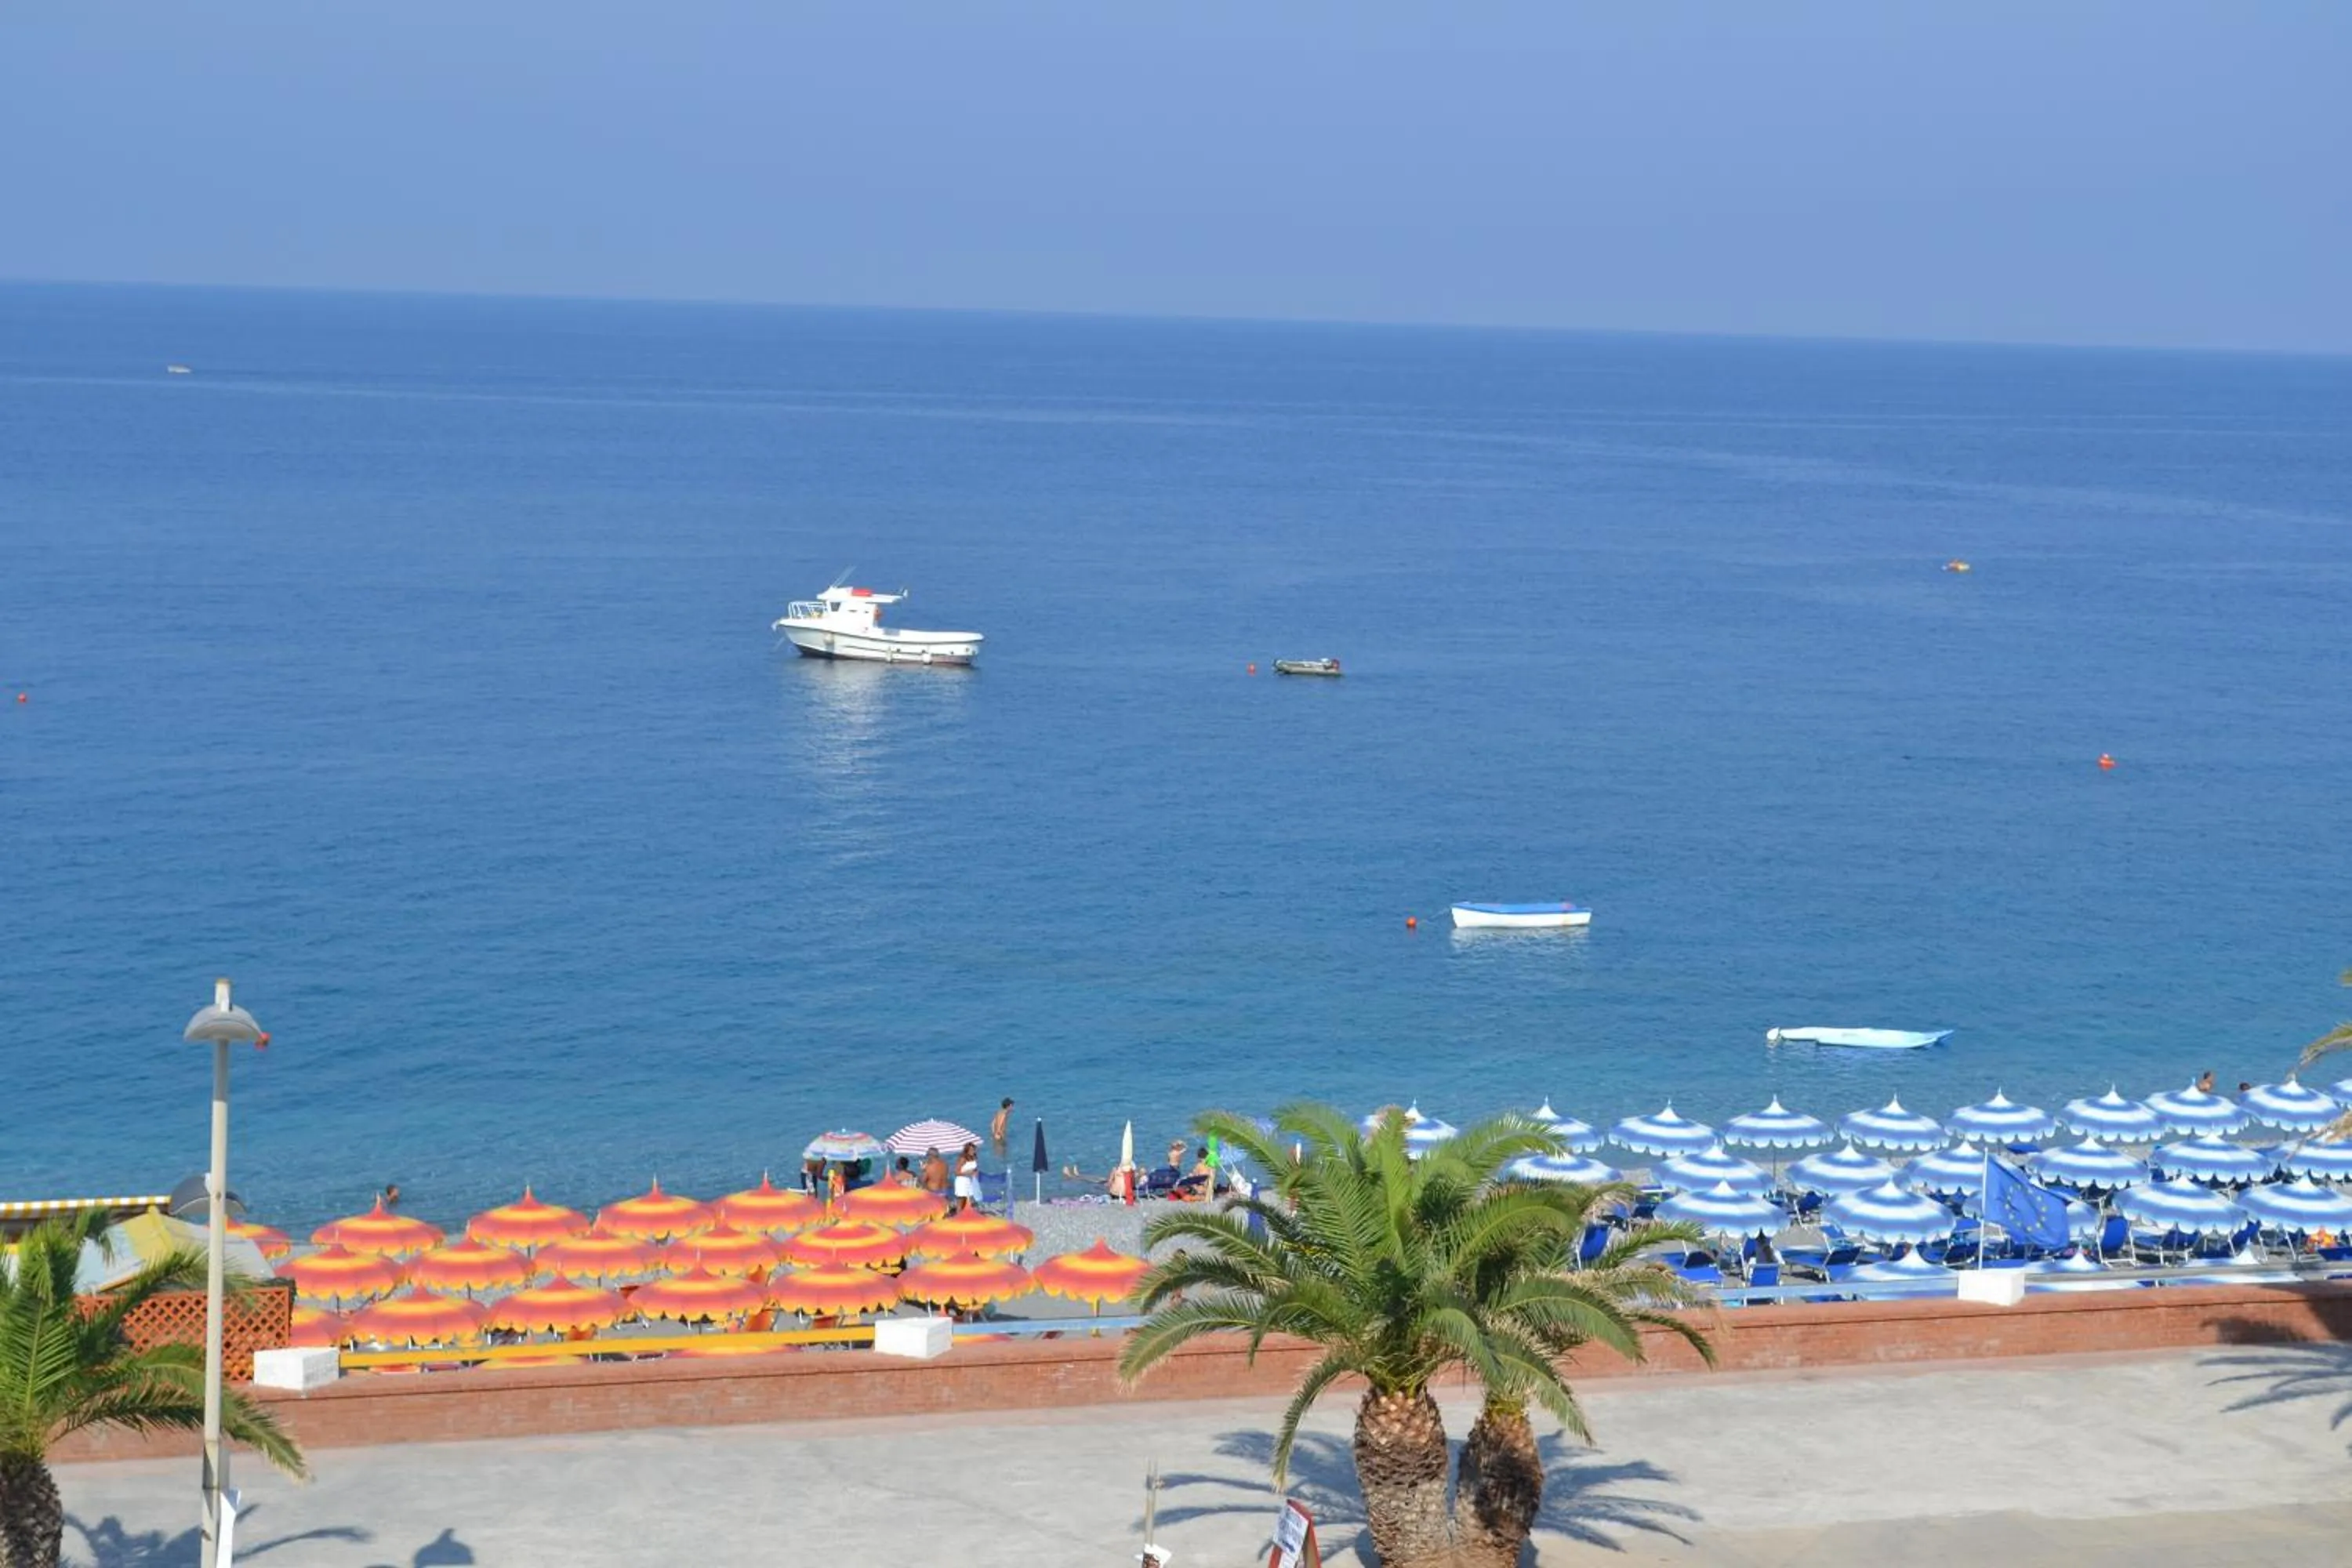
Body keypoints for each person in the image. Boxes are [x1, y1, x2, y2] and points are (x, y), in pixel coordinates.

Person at [953, 1141, 981, 1214]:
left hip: (970, 1181)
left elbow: (974, 1169)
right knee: (961, 1200)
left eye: (974, 1149)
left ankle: (965, 1216)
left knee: (968, 1200)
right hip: (962, 1182)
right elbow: (956, 1172)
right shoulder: (963, 1159)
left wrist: (976, 1172)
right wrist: (967, 1173)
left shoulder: (974, 1157)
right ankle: (958, 1218)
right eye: (971, 1150)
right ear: (967, 1150)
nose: (973, 1151)